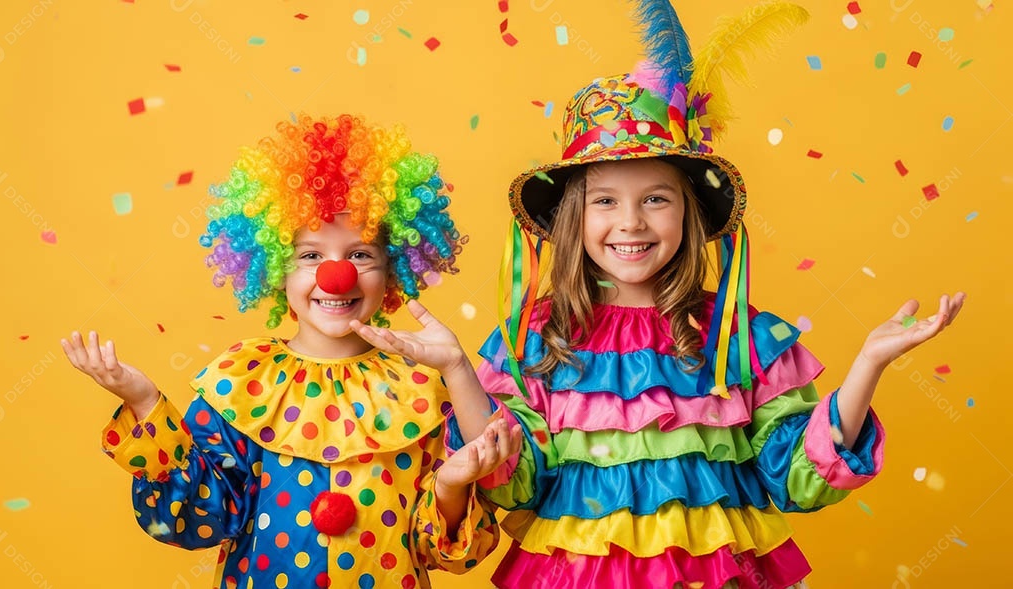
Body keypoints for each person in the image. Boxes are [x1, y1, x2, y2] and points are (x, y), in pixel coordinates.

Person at [359, 2, 966, 587]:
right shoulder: (536, 340)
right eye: (605, 201)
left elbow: (799, 480)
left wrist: (868, 365)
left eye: (656, 198)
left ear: (689, 214)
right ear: (573, 220)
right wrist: (460, 369)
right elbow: (513, 480)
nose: (631, 223)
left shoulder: (739, 338)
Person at [61, 114, 518, 589]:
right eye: (311, 255)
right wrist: (144, 403)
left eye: (360, 254)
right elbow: (200, 519)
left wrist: (448, 485)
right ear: (275, 265)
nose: (334, 275)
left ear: (395, 268)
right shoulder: (241, 381)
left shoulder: (422, 386)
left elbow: (450, 548)